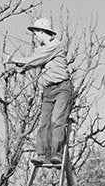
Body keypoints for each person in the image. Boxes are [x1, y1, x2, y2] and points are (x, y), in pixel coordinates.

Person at [7, 16, 73, 165]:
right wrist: (19, 68)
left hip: (62, 88)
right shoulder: (42, 49)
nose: (35, 37)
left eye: (36, 33)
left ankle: (56, 153)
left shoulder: (55, 45)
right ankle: (42, 154)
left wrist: (12, 59)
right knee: (44, 122)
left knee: (57, 120)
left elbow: (34, 60)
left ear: (42, 31)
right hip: (48, 90)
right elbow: (32, 62)